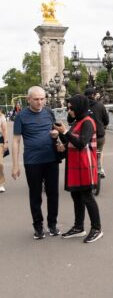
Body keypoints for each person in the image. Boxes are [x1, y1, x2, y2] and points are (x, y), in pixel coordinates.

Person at [53, 94, 103, 243]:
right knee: (76, 196)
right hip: (75, 165)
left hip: (85, 165)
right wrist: (59, 137)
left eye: (71, 108)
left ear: (79, 107)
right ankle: (79, 227)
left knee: (87, 197)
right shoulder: (78, 121)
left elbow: (81, 144)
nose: (69, 110)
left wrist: (65, 132)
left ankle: (96, 228)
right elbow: (72, 142)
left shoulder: (88, 122)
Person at [11, 86, 60, 239]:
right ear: (28, 100)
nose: (40, 102)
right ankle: (38, 227)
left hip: (51, 159)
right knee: (35, 195)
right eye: (36, 99)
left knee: (53, 194)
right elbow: (16, 140)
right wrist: (15, 165)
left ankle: (52, 225)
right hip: (32, 162)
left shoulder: (49, 112)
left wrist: (56, 134)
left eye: (42, 99)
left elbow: (57, 130)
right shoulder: (21, 116)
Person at [84, 88, 109, 178]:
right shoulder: (100, 105)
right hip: (99, 135)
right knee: (100, 150)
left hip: (85, 136)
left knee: (84, 153)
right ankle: (100, 169)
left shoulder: (82, 106)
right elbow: (106, 121)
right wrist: (103, 126)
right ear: (94, 95)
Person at [0, 109, 9, 193]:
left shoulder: (1, 116)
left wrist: (6, 142)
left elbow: (4, 130)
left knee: (0, 163)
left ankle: (0, 183)